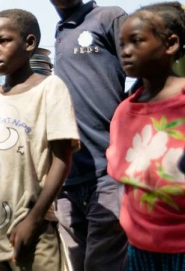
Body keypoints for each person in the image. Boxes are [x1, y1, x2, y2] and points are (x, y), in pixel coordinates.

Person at [0, 9, 80, 271]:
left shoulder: (50, 89)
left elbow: (62, 159)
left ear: (29, 43)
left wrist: (35, 217)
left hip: (33, 229)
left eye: (3, 41)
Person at [50, 1, 129, 270]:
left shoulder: (108, 16)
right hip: (68, 178)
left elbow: (145, 64)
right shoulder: (60, 31)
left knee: (102, 264)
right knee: (76, 263)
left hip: (109, 170)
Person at [107, 2, 185, 270]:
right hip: (140, 248)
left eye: (136, 41)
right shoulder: (124, 112)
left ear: (171, 44)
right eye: (122, 44)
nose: (125, 52)